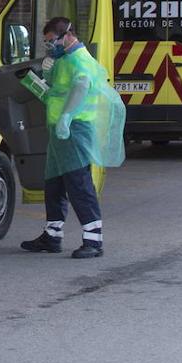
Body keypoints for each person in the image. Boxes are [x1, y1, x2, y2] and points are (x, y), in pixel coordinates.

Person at [21, 17, 126, 259]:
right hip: (60, 131)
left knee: (78, 183)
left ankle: (93, 239)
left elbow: (80, 88)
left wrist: (67, 116)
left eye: (51, 41)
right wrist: (41, 81)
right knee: (54, 184)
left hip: (74, 129)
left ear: (67, 36)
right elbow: (58, 92)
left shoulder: (80, 59)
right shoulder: (64, 59)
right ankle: (52, 235)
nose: (49, 47)